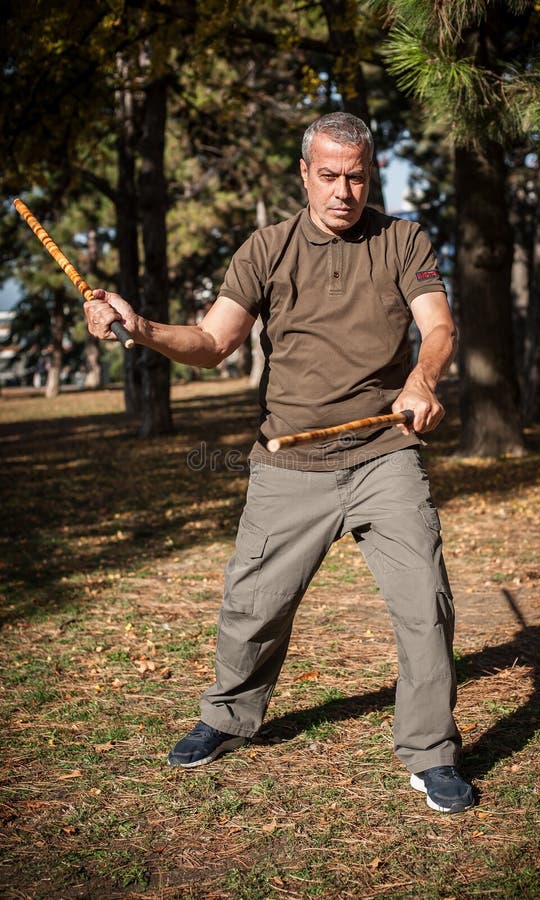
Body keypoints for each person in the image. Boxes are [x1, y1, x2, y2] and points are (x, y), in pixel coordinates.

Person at [84, 112, 474, 814]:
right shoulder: (266, 248)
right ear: (303, 174)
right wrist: (139, 327)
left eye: (356, 176)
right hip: (290, 460)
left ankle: (430, 752)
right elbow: (211, 341)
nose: (342, 191)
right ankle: (229, 716)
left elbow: (437, 325)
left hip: (384, 453)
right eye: (328, 175)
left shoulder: (402, 239)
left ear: (370, 174)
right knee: (251, 606)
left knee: (426, 603)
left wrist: (422, 380)